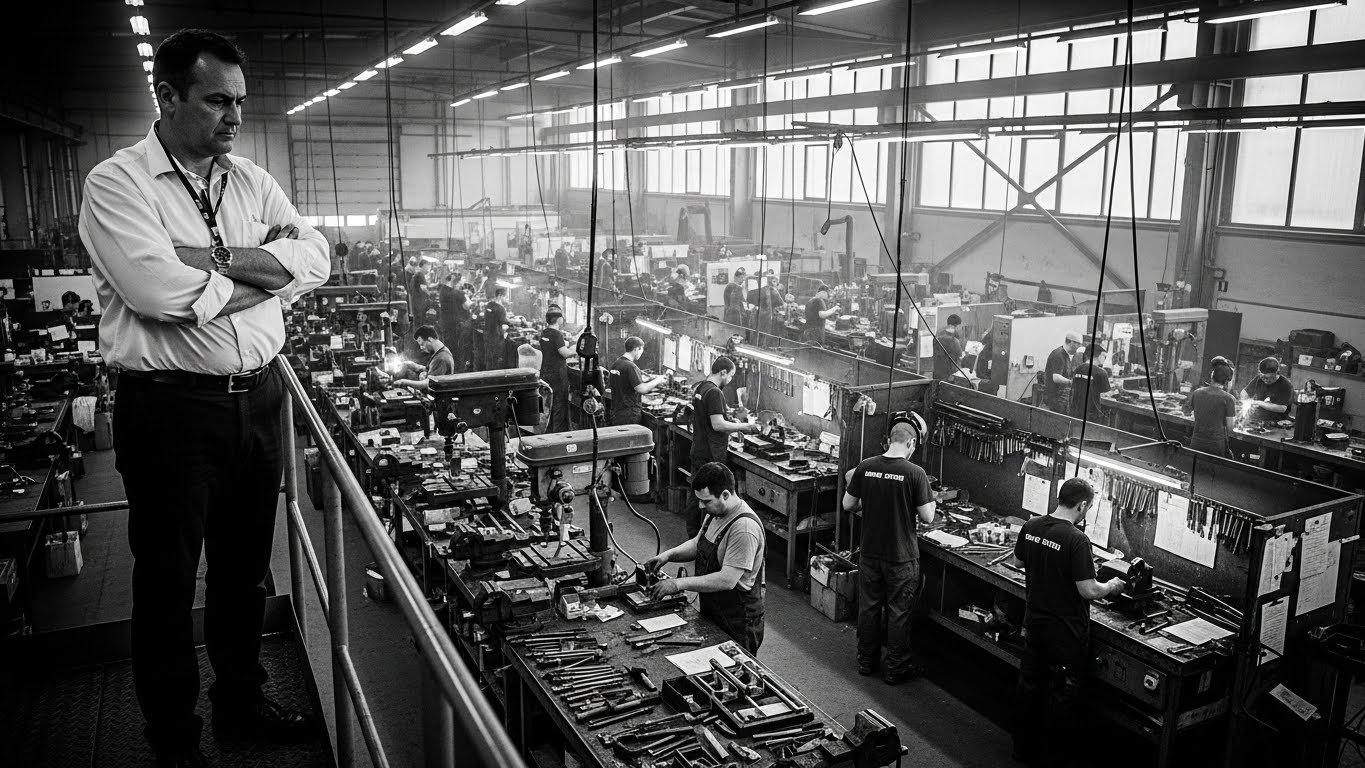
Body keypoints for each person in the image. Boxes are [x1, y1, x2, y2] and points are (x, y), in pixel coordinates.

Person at [77, 29, 330, 766]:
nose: (234, 117)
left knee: (244, 571)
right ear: (169, 98)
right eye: (217, 100)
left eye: (240, 102)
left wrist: (212, 262)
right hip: (170, 411)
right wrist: (264, 276)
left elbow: (314, 256)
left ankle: (241, 697)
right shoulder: (118, 184)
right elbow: (156, 292)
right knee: (165, 583)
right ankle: (175, 741)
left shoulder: (249, 180)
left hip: (259, 399)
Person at [1011, 478, 1125, 768]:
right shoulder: (1077, 539)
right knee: (1062, 695)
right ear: (1082, 505)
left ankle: (1022, 751)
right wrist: (1111, 585)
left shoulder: (1032, 525)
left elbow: (1018, 563)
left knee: (1029, 685)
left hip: (1034, 622)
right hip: (1065, 633)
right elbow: (1088, 590)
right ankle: (1053, 759)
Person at [841, 418, 935, 684]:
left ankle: (866, 662)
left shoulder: (866, 467)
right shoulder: (915, 473)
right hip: (901, 557)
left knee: (869, 608)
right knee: (898, 612)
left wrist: (870, 506)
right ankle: (895, 669)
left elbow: (848, 504)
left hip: (870, 552)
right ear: (911, 443)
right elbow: (927, 517)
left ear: (889, 440)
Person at [645, 462, 765, 655]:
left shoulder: (744, 528)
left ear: (725, 495)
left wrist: (678, 584)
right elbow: (698, 543)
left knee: (734, 675)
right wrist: (668, 555)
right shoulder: (715, 512)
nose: (701, 505)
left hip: (738, 620)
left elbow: (727, 580)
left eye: (706, 501)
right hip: (715, 610)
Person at [689, 356, 762, 537]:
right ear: (723, 372)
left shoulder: (701, 387)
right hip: (709, 454)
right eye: (730, 375)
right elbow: (718, 425)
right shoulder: (714, 392)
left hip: (699, 449)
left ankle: (693, 534)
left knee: (697, 495)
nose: (730, 380)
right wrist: (745, 427)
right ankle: (705, 538)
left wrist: (729, 418)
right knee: (710, 498)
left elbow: (712, 418)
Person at [609, 336, 670, 426]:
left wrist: (650, 378)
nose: (641, 353)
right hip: (629, 414)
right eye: (641, 350)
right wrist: (658, 380)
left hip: (616, 411)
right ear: (637, 349)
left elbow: (624, 382)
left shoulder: (617, 364)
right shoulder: (631, 367)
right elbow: (642, 389)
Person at [1186, 360, 1238, 456]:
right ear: (1228, 381)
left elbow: (1195, 414)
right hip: (1215, 446)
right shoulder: (1229, 399)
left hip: (1196, 442)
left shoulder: (1197, 393)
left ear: (1212, 376)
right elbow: (1230, 428)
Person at [539, 310, 577, 432]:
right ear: (558, 319)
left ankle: (547, 430)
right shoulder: (557, 334)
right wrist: (574, 350)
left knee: (548, 403)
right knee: (559, 404)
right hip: (558, 374)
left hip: (545, 372)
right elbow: (564, 353)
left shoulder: (545, 332)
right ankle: (559, 432)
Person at [392, 325, 456, 392]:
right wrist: (411, 364)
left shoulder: (441, 358)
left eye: (422, 344)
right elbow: (429, 369)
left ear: (429, 340)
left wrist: (404, 382)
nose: (421, 348)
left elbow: (428, 384)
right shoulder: (440, 352)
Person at [1240, 356, 1292, 423]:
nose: (1265, 380)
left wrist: (1259, 403)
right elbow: (1244, 393)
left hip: (1277, 422)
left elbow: (1282, 408)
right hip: (1259, 419)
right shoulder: (1259, 378)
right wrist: (1247, 401)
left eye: (1268, 378)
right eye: (1263, 377)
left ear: (1276, 372)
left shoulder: (1285, 384)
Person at [1043, 332, 1083, 413]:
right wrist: (1070, 382)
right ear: (1071, 342)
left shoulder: (1068, 356)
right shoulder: (1058, 354)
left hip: (1062, 398)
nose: (1079, 347)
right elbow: (1056, 377)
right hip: (1055, 398)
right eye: (1078, 344)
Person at [1069, 348, 1111, 420]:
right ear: (1099, 355)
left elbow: (1074, 387)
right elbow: (1106, 393)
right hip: (1092, 414)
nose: (1105, 358)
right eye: (1104, 356)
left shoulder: (1078, 368)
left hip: (1075, 411)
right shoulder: (1101, 373)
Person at [933, 313, 964, 381]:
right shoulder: (954, 340)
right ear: (956, 325)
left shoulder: (938, 333)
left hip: (937, 369)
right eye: (959, 326)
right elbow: (959, 355)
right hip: (949, 373)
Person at [484, 286, 510, 369]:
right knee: (497, 359)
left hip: (487, 335)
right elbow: (504, 324)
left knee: (489, 359)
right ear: (500, 296)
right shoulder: (500, 308)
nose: (507, 300)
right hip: (497, 337)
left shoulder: (489, 305)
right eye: (506, 297)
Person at [757, 271, 784, 345]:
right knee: (768, 333)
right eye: (774, 281)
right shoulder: (774, 290)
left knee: (762, 332)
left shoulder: (763, 289)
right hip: (769, 314)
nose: (775, 283)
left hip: (762, 313)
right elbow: (781, 302)